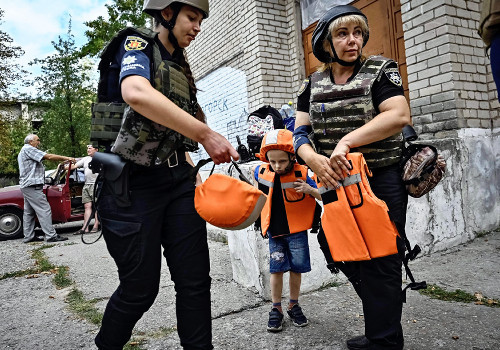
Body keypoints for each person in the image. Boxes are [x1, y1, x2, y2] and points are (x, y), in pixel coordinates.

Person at [91, 0, 239, 349]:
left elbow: (170, 133)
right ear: (167, 13)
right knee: (139, 290)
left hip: (177, 185)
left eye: (201, 21)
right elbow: (136, 93)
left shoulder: (178, 64)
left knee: (195, 283)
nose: (197, 28)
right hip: (131, 189)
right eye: (192, 18)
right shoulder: (137, 45)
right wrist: (206, 134)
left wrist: (191, 170)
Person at [292, 5, 411, 350]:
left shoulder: (380, 71)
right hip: (335, 182)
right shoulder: (311, 84)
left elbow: (399, 114)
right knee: (337, 249)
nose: (352, 40)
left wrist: (346, 141)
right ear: (326, 43)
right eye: (343, 34)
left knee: (383, 258)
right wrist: (313, 158)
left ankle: (384, 339)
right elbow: (299, 131)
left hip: (379, 178)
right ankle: (383, 318)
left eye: (357, 33)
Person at [254, 129, 321, 332]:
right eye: (272, 162)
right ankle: (276, 308)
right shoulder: (262, 171)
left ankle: (293, 304)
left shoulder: (302, 173)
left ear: (292, 156)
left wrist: (310, 190)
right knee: (276, 269)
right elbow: (253, 180)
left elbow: (323, 195)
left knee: (296, 268)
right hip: (275, 232)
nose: (277, 166)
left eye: (282, 161)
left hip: (297, 233)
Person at [17, 134, 75, 243]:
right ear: (30, 141)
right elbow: (48, 156)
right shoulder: (29, 149)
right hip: (31, 185)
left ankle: (28, 236)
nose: (39, 142)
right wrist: (66, 158)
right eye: (37, 140)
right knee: (44, 209)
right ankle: (51, 236)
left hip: (27, 185)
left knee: (29, 212)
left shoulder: (23, 150)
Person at [67, 144, 100, 234]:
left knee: (97, 206)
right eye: (87, 148)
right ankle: (85, 228)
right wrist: (63, 166)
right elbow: (73, 166)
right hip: (86, 185)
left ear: (96, 149)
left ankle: (96, 225)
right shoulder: (85, 159)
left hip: (96, 185)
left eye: (90, 148)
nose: (88, 150)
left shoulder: (100, 158)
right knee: (87, 206)